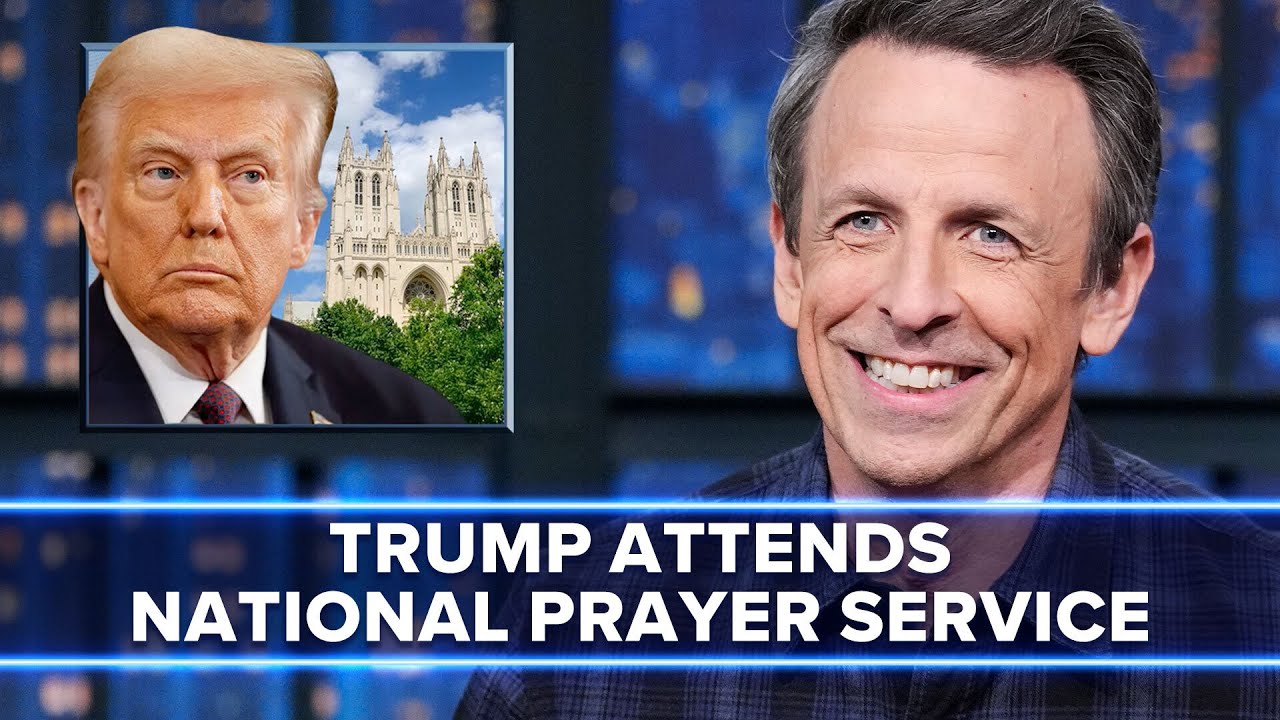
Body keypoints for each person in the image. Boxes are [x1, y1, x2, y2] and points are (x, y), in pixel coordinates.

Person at [457, 0, 1280, 716]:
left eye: (990, 235)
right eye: (863, 222)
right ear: (789, 262)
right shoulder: (571, 662)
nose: (914, 301)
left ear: (1111, 287)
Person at [75, 28, 462, 425]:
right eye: (163, 171)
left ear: (305, 227)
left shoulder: (408, 414)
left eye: (250, 175)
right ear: (95, 216)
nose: (205, 215)